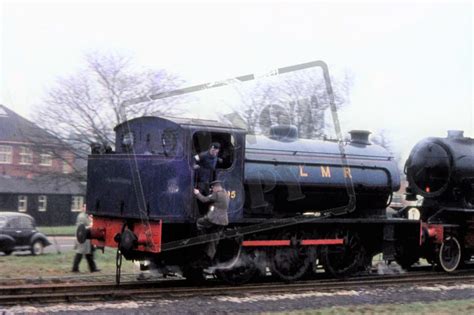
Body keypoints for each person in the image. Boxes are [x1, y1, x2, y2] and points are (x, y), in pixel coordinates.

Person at [193, 180, 230, 260]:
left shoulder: (216, 194)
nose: (211, 190)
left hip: (214, 219)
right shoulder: (226, 194)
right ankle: (208, 257)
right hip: (223, 221)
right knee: (214, 239)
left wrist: (197, 193)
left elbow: (204, 200)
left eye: (212, 188)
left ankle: (202, 240)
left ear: (215, 187)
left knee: (199, 223)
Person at [72, 204, 100, 273]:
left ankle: (93, 268)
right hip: (82, 236)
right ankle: (75, 268)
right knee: (80, 253)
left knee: (88, 253)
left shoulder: (86, 216)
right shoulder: (82, 216)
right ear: (83, 208)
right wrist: (91, 224)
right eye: (85, 207)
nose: (86, 208)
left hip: (85, 237)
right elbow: (85, 226)